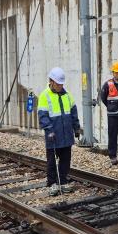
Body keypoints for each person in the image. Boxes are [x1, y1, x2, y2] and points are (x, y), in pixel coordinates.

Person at [38, 67, 82, 196]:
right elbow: (42, 115)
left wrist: (76, 127)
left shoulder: (67, 95)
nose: (60, 86)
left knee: (65, 159)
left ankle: (63, 181)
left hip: (66, 134)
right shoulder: (44, 96)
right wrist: (49, 130)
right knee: (51, 161)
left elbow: (73, 112)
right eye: (58, 84)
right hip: (53, 134)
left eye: (61, 84)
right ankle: (52, 183)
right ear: (51, 81)